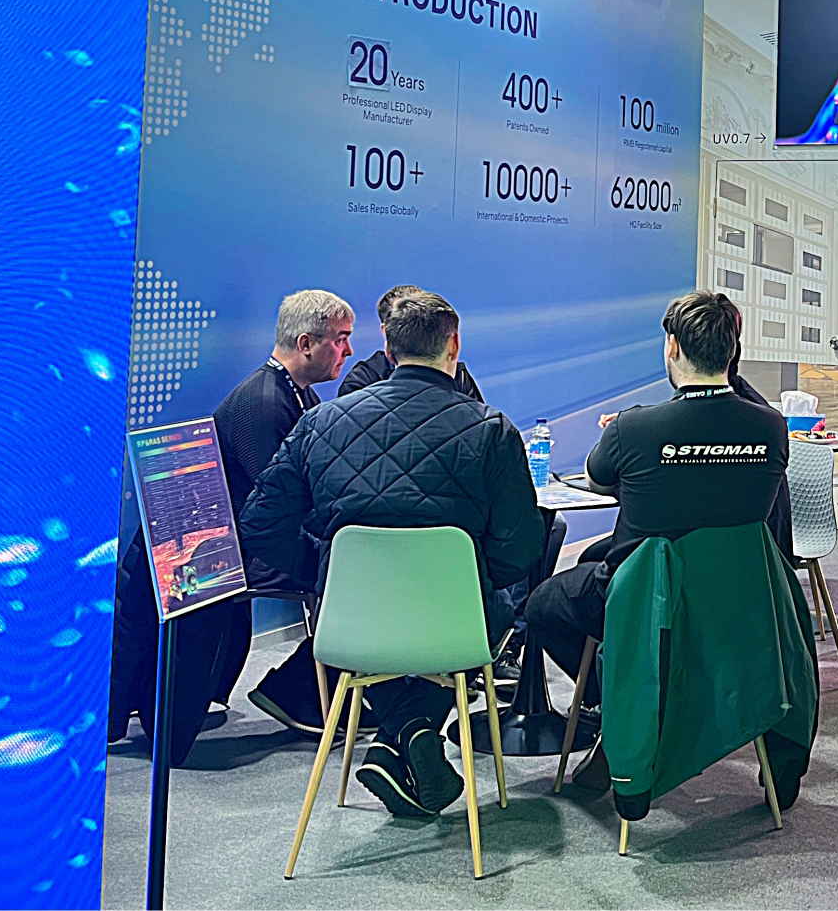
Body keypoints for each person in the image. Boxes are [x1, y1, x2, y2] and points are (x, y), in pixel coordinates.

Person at [240, 287, 544, 816]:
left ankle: (398, 736)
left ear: (388, 346)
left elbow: (260, 525)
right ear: (453, 346)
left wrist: (327, 572)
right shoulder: (491, 430)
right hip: (455, 620)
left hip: (349, 622)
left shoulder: (320, 423)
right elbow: (521, 548)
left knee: (381, 640)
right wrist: (470, 575)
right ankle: (414, 731)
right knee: (491, 611)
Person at [523, 292, 799, 794]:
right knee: (595, 559)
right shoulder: (771, 427)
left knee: (543, 605)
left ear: (672, 346)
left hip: (644, 601)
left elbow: (598, 475)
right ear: (732, 350)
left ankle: (623, 705)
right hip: (739, 600)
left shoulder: (635, 427)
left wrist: (630, 440)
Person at [105, 289, 354, 756]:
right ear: (306, 343)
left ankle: (309, 692)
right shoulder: (265, 403)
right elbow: (278, 501)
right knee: (354, 574)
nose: (349, 350)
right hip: (230, 550)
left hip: (243, 539)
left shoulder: (294, 394)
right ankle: (297, 692)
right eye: (340, 339)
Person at [337, 283, 485, 402]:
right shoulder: (363, 379)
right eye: (402, 320)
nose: (414, 324)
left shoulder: (459, 375)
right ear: (386, 331)